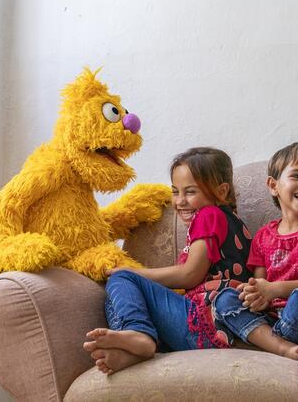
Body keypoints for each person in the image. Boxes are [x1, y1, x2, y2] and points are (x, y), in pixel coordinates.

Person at [83, 147, 252, 374]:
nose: (180, 201)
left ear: (221, 192)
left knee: (122, 279)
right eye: (175, 191)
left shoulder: (208, 215)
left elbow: (190, 275)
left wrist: (134, 273)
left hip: (205, 326)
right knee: (120, 300)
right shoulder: (235, 223)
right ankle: (134, 351)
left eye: (190, 192)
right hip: (220, 328)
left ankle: (139, 334)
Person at [213, 142, 298, 361]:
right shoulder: (263, 236)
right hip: (268, 318)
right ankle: (277, 345)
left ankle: (268, 342)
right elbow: (260, 286)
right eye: (297, 176)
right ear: (273, 185)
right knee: (226, 297)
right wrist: (257, 297)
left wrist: (274, 289)